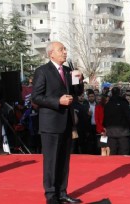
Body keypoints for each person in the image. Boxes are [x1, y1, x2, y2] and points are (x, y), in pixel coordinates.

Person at [32, 41, 84, 204]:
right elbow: (36, 97)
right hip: (50, 123)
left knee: (63, 161)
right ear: (51, 53)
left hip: (67, 122)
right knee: (51, 161)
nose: (65, 52)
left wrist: (79, 80)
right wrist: (57, 101)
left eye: (65, 49)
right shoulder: (42, 71)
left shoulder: (68, 71)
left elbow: (77, 93)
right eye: (61, 49)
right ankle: (51, 195)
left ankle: (62, 193)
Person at [103, 87, 130, 155]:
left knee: (112, 153)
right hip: (123, 132)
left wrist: (104, 128)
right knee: (124, 153)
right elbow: (129, 117)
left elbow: (105, 118)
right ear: (120, 93)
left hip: (111, 131)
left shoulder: (107, 105)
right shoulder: (124, 104)